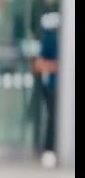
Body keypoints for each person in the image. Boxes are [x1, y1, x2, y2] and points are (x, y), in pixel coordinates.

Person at [33, 11, 60, 168]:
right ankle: (49, 150)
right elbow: (39, 64)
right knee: (54, 119)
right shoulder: (51, 38)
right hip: (53, 86)